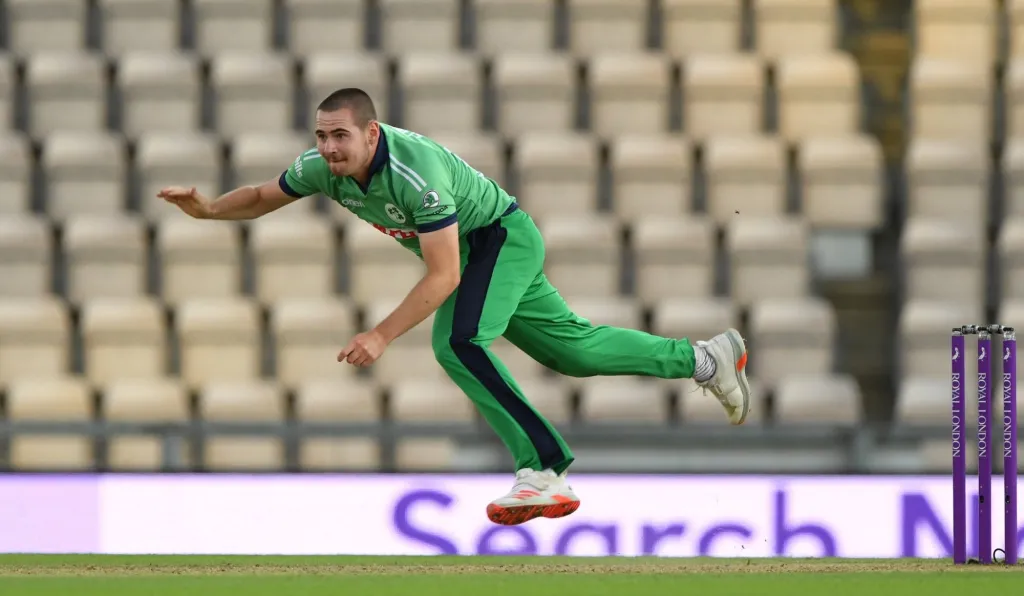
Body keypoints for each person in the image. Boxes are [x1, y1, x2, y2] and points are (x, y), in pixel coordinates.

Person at [158, 88, 751, 527]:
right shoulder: (324, 169)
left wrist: (382, 335)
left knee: (459, 342)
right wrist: (209, 209)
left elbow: (445, 275)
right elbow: (264, 195)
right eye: (320, 135)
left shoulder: (417, 175)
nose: (328, 147)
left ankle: (543, 468)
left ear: (371, 133)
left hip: (497, 238)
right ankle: (704, 359)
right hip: (484, 249)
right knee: (572, 350)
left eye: (340, 135)